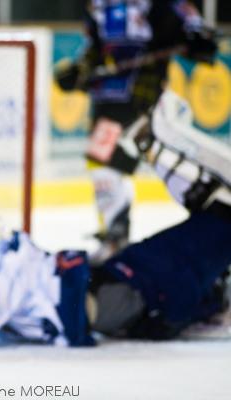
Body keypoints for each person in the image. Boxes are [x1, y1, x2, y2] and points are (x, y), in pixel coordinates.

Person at [0, 93, 231, 344]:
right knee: (186, 252)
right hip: (128, 290)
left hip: (116, 282)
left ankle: (210, 227)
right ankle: (213, 214)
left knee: (168, 259)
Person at [55, 0, 217, 263]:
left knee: (173, 167)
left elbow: (189, 22)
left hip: (145, 97)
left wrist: (197, 36)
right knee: (103, 166)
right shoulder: (97, 5)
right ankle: (115, 236)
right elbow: (96, 50)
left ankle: (214, 233)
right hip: (109, 100)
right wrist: (80, 72)